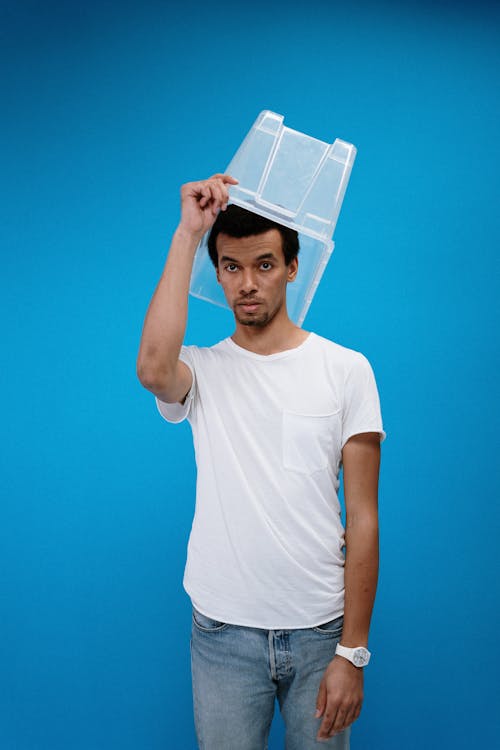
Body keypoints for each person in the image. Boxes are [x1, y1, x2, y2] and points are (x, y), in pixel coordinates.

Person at [137, 174, 385, 749]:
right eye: (231, 267)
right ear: (218, 271)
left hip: (321, 632)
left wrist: (354, 650)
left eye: (265, 265)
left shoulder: (347, 370)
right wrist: (187, 232)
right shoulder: (202, 371)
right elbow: (152, 368)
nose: (248, 284)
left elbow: (364, 517)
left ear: (293, 268)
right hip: (222, 633)